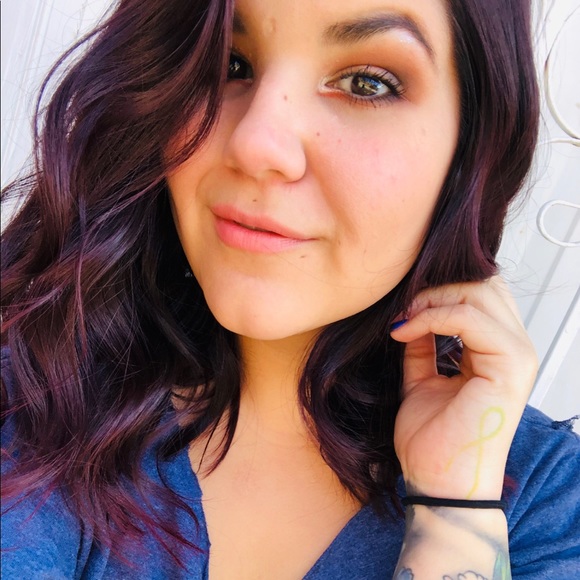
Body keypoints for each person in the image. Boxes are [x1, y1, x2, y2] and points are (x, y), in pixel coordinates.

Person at [1, 0, 579, 577]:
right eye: (229, 64)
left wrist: (457, 507)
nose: (255, 143)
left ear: (471, 147)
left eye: (367, 83)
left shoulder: (548, 501)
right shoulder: (37, 386)